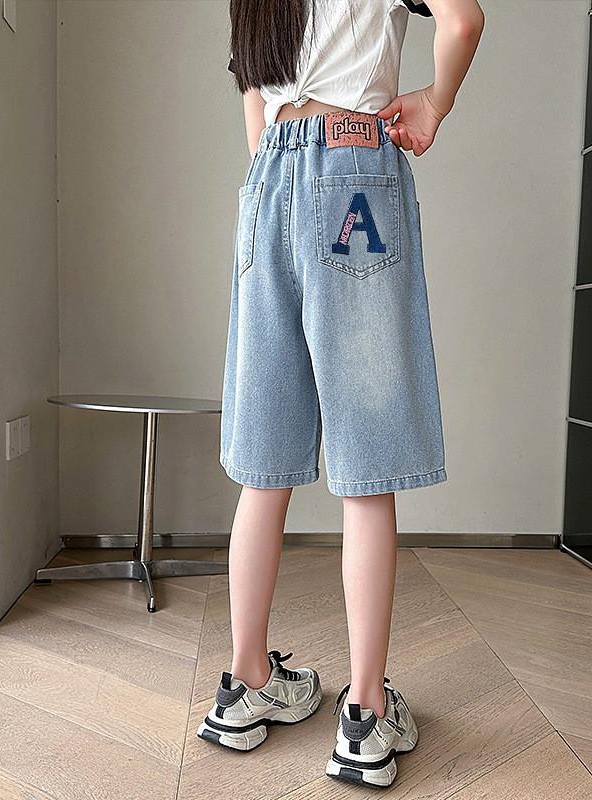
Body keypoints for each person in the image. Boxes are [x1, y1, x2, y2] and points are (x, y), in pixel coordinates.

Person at [197, 0, 484, 788]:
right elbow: (462, 21)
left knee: (266, 464)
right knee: (367, 461)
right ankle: (363, 713)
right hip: (354, 168)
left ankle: (245, 684)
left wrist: (286, 175)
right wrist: (435, 101)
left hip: (267, 180)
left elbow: (253, 94)